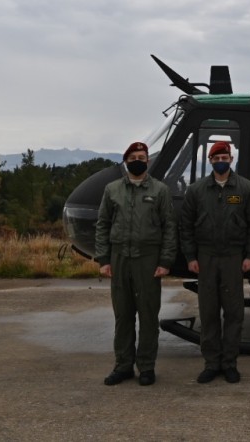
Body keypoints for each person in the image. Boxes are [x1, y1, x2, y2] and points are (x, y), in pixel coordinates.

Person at [179, 141, 250, 384]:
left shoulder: (246, 189)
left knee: (234, 312)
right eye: (215, 158)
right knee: (208, 313)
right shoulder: (196, 191)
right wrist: (191, 257)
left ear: (231, 158)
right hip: (205, 258)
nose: (220, 161)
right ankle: (211, 363)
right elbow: (185, 227)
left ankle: (229, 363)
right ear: (210, 160)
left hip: (233, 258)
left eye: (224, 156)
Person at [94, 141, 177, 387]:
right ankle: (122, 366)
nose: (138, 160)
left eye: (142, 156)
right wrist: (103, 259)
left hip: (148, 259)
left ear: (148, 161)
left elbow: (169, 227)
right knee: (123, 316)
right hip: (120, 258)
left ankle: (147, 367)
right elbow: (103, 225)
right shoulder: (112, 190)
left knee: (149, 316)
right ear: (126, 161)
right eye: (133, 157)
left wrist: (165, 261)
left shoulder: (160, 191)